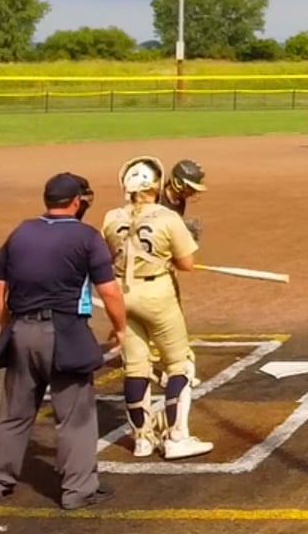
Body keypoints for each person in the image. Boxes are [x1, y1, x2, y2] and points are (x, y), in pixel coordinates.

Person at [0, 172, 125, 511]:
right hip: (65, 334)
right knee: (75, 417)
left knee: (14, 413)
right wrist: (121, 328)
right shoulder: (87, 237)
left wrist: (7, 325)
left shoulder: (21, 232)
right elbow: (109, 291)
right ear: (75, 201)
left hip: (21, 331)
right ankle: (78, 490)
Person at [102, 156, 214, 460]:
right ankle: (177, 437)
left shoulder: (111, 217)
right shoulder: (167, 216)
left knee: (135, 368)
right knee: (181, 365)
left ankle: (142, 440)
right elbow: (186, 263)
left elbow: (109, 256)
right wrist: (171, 254)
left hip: (121, 293)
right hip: (156, 294)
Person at [158, 159, 207, 240]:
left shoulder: (180, 202)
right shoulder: (157, 197)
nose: (194, 192)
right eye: (191, 188)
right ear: (179, 183)